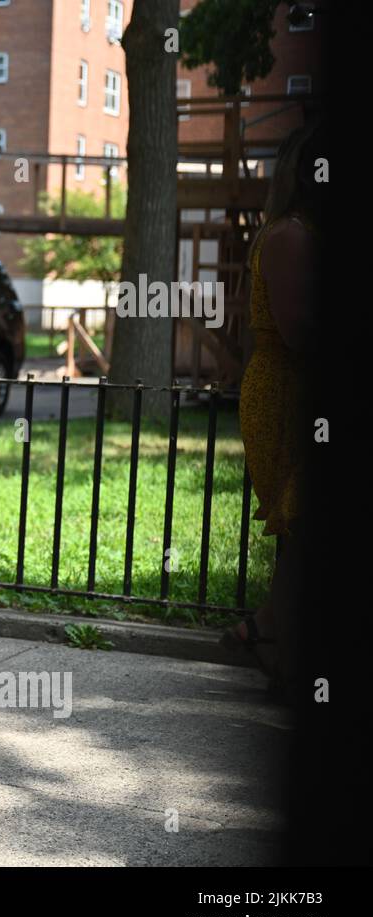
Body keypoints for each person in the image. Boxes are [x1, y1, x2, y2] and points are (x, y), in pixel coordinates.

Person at [221, 120, 324, 696]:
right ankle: (272, 640)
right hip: (285, 391)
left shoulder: (303, 230)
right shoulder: (290, 234)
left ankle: (267, 630)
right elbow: (298, 327)